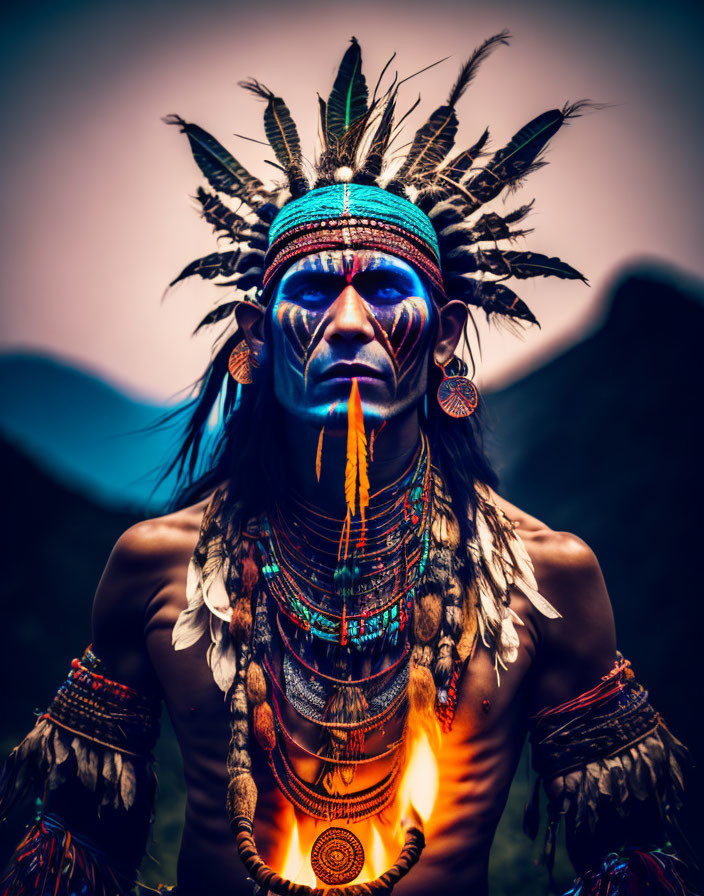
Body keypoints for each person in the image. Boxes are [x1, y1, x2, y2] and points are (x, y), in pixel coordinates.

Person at [0, 34, 695, 896]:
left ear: (444, 336)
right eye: (316, 291)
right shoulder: (157, 569)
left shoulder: (550, 582)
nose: (352, 324)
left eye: (387, 292)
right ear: (256, 339)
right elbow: (71, 852)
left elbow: (633, 865)